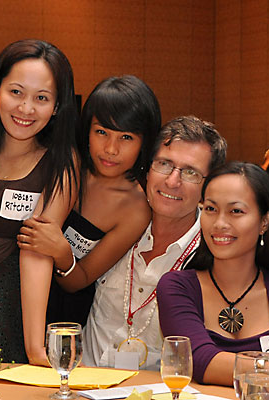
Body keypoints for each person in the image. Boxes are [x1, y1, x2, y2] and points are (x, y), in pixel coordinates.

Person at [0, 39, 78, 364]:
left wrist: (35, 349)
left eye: (42, 98)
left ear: (57, 106)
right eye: (16, 92)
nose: (26, 108)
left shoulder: (60, 163)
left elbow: (38, 247)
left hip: (10, 321)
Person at [82, 115, 227, 371]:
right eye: (164, 164)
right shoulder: (112, 224)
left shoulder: (214, 259)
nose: (172, 181)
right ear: (148, 169)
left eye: (190, 172)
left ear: (209, 186)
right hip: (79, 383)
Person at [16, 75, 161, 327]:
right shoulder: (69, 162)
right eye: (101, 132)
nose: (111, 149)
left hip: (64, 315)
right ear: (87, 131)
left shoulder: (136, 208)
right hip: (15, 287)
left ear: (144, 142)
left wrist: (62, 253)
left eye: (126, 137)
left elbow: (80, 281)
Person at [157, 162, 269, 385]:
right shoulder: (177, 287)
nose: (219, 223)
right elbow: (200, 361)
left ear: (264, 222)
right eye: (210, 209)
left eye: (236, 211)